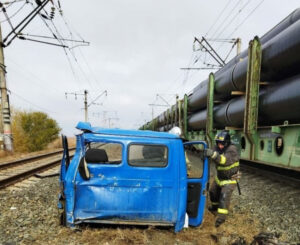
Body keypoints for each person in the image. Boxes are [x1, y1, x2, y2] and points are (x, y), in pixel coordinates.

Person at [205, 130, 240, 227]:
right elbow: (211, 153)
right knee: (212, 192)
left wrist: (213, 154)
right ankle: (214, 208)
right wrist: (205, 154)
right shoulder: (217, 147)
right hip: (220, 177)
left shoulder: (232, 149)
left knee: (224, 197)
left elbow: (223, 160)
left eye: (222, 144)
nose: (220, 146)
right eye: (218, 143)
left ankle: (221, 218)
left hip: (231, 178)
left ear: (227, 142)